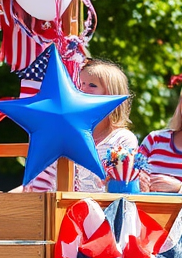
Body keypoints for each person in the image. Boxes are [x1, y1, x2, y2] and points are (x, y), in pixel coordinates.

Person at [23, 60, 137, 193]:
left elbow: (124, 188)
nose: (82, 90)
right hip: (60, 204)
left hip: (104, 205)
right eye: (81, 84)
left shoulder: (123, 139)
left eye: (92, 85)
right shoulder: (64, 134)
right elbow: (41, 181)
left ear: (111, 95)